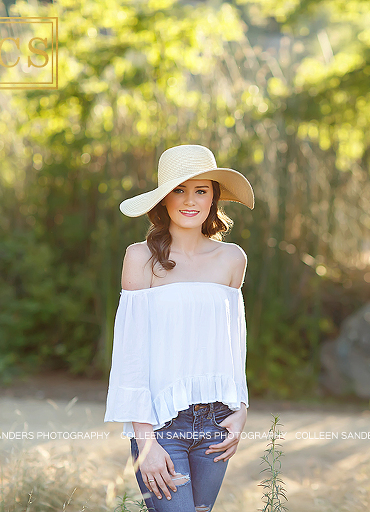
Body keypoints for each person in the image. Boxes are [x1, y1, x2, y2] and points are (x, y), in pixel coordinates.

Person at [104, 144, 255, 512]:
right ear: (163, 199)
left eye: (201, 190)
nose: (191, 201)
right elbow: (131, 354)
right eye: (179, 190)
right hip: (161, 424)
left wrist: (242, 408)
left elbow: (233, 342)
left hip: (217, 422)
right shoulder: (140, 257)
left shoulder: (232, 258)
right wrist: (146, 442)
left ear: (214, 197)